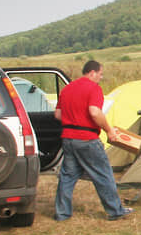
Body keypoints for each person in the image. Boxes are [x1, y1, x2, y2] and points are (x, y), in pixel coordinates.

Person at [53, 60, 133, 221]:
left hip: (68, 139)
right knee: (103, 174)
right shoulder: (93, 88)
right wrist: (109, 130)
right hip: (87, 139)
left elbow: (57, 114)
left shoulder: (67, 89)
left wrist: (73, 120)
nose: (101, 78)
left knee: (67, 176)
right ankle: (115, 210)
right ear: (92, 72)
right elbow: (95, 112)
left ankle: (62, 213)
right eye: (100, 74)